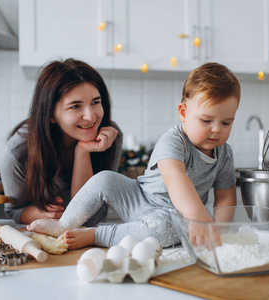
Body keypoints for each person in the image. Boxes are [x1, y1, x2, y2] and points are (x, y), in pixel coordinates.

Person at [27, 62, 240, 250]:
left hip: (173, 215)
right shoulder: (174, 141)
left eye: (226, 123)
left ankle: (94, 236)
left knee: (167, 228)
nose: (216, 130)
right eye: (206, 121)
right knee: (104, 178)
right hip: (139, 198)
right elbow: (176, 178)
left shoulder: (224, 153)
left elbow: (225, 196)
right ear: (183, 113)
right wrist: (197, 216)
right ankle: (64, 224)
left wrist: (219, 231)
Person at [0, 58, 123, 229]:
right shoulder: (19, 151)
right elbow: (14, 210)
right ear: (50, 114)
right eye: (75, 106)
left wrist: (82, 152)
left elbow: (90, 217)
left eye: (95, 102)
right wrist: (43, 214)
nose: (91, 116)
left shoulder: (110, 138)